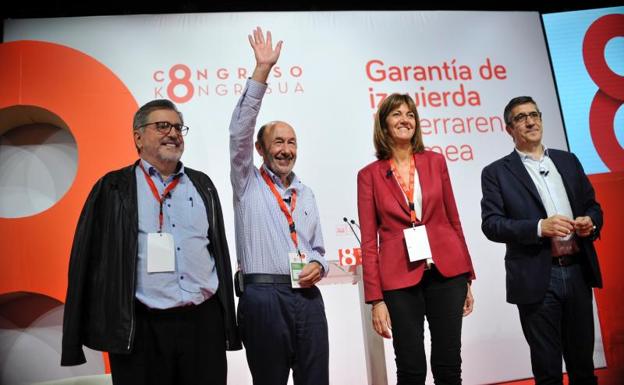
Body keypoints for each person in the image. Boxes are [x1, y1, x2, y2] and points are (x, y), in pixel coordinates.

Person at [60, 99, 241, 385]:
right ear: (138, 136)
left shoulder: (202, 184)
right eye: (162, 126)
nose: (173, 133)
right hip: (141, 328)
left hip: (202, 325)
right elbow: (84, 261)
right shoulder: (112, 187)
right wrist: (72, 339)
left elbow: (218, 252)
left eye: (178, 127)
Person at [228, 27, 329, 385]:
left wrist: (319, 265)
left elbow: (318, 250)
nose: (286, 149)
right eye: (278, 142)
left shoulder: (307, 192)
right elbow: (239, 130)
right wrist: (262, 71)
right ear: (259, 149)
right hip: (263, 299)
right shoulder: (246, 182)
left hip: (307, 299)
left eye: (292, 142)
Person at [480, 96, 603, 385]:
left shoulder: (567, 160)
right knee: (548, 370)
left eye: (534, 114)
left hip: (577, 271)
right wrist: (538, 227)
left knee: (583, 365)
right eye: (521, 117)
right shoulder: (497, 172)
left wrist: (590, 222)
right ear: (509, 128)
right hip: (538, 278)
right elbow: (492, 225)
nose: (531, 121)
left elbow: (592, 205)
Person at [357, 93, 475, 385]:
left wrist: (467, 278)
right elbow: (369, 242)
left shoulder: (435, 162)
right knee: (411, 369)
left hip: (448, 274)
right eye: (396, 114)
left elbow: (453, 220)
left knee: (449, 365)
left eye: (410, 114)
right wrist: (375, 300)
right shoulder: (369, 175)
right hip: (399, 279)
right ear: (384, 125)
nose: (404, 120)